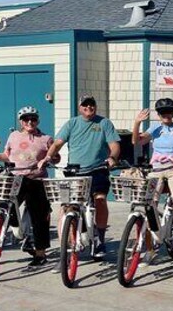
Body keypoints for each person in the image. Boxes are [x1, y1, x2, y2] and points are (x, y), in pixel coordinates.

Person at [39, 95, 120, 260]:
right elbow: (57, 144)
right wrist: (47, 157)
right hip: (75, 171)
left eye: (92, 104)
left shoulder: (104, 123)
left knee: (100, 200)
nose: (88, 107)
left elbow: (114, 145)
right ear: (79, 107)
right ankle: (69, 244)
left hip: (98, 169)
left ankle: (99, 238)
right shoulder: (72, 123)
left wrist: (112, 158)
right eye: (85, 105)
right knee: (69, 206)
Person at [0, 106, 56, 270]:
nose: (30, 122)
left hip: (37, 180)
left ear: (38, 121)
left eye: (33, 119)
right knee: (6, 207)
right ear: (21, 121)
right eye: (26, 119)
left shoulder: (45, 138)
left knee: (39, 218)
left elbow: (55, 157)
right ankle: (18, 236)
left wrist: (49, 159)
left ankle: (40, 254)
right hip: (16, 178)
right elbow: (6, 155)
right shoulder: (14, 136)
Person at [132, 98, 173, 264]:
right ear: (158, 114)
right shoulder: (155, 128)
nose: (167, 115)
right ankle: (149, 249)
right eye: (163, 113)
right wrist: (137, 123)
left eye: (169, 112)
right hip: (156, 169)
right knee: (149, 205)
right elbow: (137, 141)